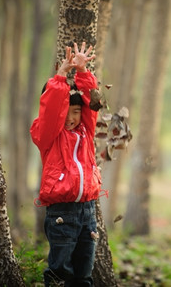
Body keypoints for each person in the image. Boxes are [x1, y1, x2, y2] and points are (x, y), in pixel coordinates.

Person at [30, 42, 101, 287]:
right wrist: (60, 77)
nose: (71, 118)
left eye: (76, 112)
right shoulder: (47, 134)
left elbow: (92, 104)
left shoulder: (86, 131)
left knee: (84, 274)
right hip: (62, 213)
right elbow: (51, 112)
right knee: (61, 273)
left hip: (88, 211)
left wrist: (82, 72)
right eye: (66, 112)